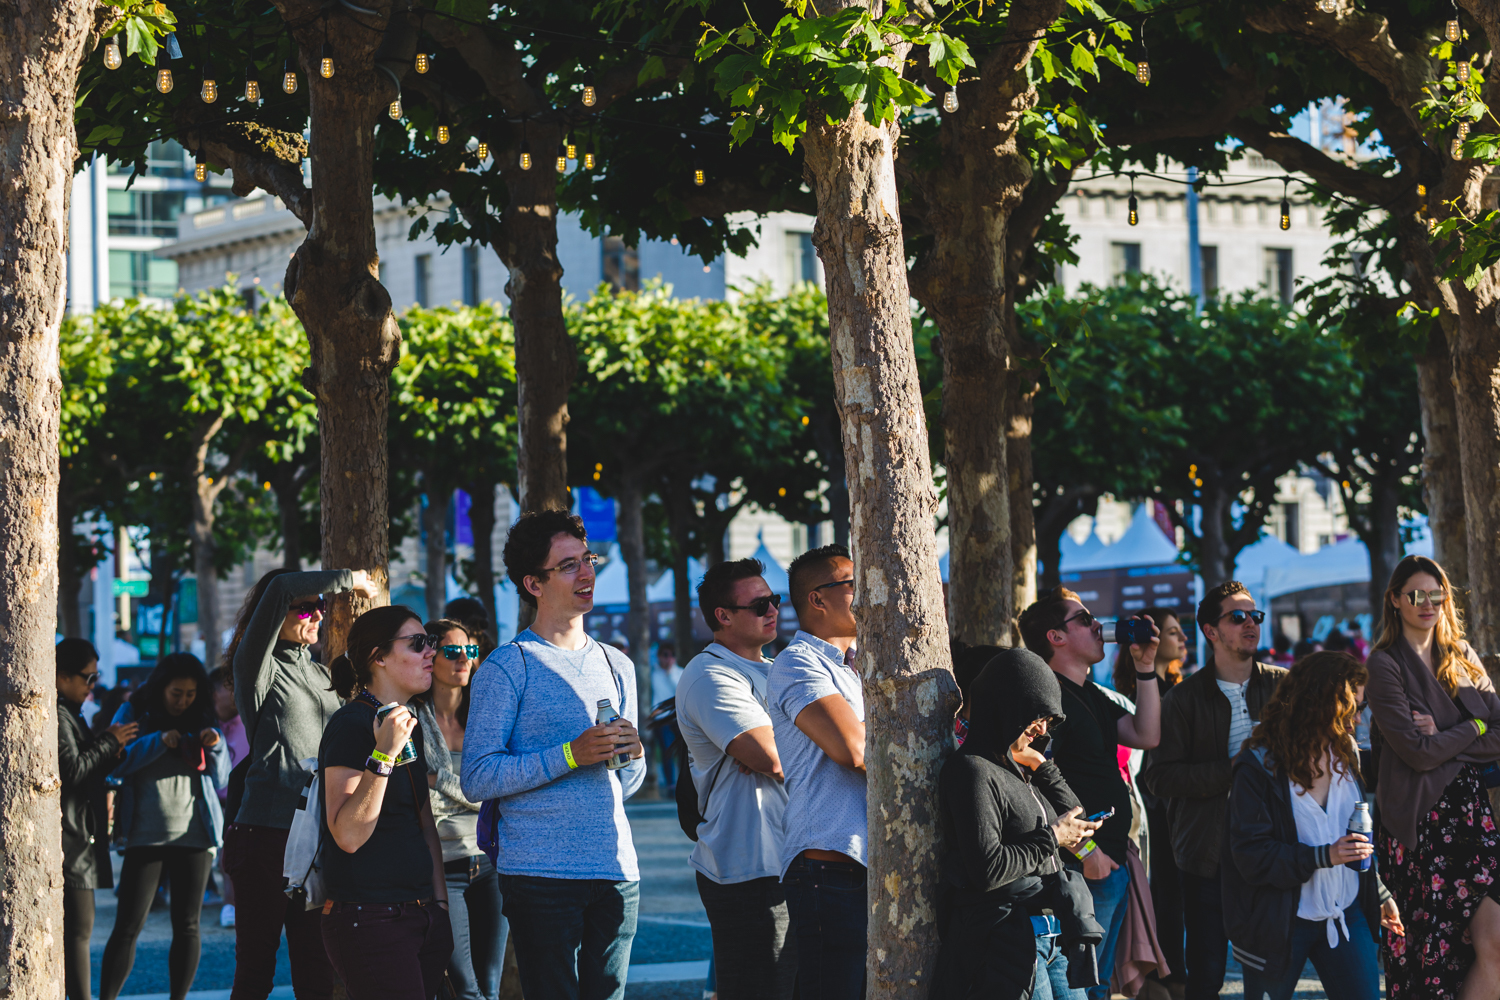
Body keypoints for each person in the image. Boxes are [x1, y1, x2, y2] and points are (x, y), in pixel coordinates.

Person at [463, 510, 646, 1000]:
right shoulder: (508, 666)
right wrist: (570, 753)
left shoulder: (617, 662)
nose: (586, 573)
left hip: (615, 867)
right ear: (533, 583)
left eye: (588, 560)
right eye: (569, 566)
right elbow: (477, 777)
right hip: (539, 874)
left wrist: (633, 754)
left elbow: (626, 783)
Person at [223, 566, 377, 1000]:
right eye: (303, 608)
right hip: (264, 837)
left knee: (318, 970)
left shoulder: (326, 675)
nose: (315, 615)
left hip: (318, 840)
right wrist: (353, 579)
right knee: (256, 972)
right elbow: (281, 586)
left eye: (319, 608)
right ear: (273, 615)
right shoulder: (257, 666)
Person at [1222, 650, 1403, 1000]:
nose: (1358, 719)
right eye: (1352, 708)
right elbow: (1250, 855)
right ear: (1320, 704)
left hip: (1345, 912)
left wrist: (1377, 891)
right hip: (1279, 922)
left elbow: (1353, 835)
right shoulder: (1259, 766)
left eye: (1361, 709)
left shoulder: (1346, 752)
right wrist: (1323, 856)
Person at [1141, 581, 1286, 1000]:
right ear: (1211, 631)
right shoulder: (1183, 699)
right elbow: (1159, 777)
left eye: (1254, 615)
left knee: (1275, 964)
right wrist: (1233, 767)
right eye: (1236, 617)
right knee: (1206, 972)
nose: (1250, 624)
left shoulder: (1283, 687)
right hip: (1208, 853)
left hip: (1274, 845)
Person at [935, 647, 1105, 1000]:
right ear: (1006, 705)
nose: (1042, 729)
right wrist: (1054, 837)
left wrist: (1044, 768)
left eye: (1050, 720)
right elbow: (988, 868)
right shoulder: (972, 770)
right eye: (1035, 716)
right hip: (1009, 936)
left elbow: (1075, 815)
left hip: (1053, 933)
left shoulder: (1020, 769)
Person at [1365, 555, 1500, 998]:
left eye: (1436, 594)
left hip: (1474, 820)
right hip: (1422, 827)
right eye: (1416, 595)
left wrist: (1449, 732)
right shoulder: (1384, 664)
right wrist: (1474, 730)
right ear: (1395, 600)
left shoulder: (1462, 654)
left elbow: (1497, 731)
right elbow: (1416, 754)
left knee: (1494, 943)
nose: (1428, 603)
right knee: (1436, 961)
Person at [1018, 587, 1161, 1000]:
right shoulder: (1048, 695)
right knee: (1085, 985)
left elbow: (1146, 734)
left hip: (1110, 860)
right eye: (1083, 619)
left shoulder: (1088, 693)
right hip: (1082, 866)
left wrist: (1145, 667)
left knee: (1097, 986)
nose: (1098, 624)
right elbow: (1033, 778)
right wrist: (1085, 851)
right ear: (1055, 637)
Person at [676, 558, 795, 1000]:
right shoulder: (710, 674)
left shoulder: (776, 669)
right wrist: (799, 739)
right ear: (722, 616)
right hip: (749, 870)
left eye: (775, 599)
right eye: (759, 603)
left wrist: (777, 736)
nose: (772, 610)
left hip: (790, 857)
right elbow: (771, 756)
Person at [320, 605, 452, 998]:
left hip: (420, 913)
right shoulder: (351, 725)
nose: (431, 651)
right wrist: (383, 755)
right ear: (378, 657)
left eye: (430, 642)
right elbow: (347, 834)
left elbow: (423, 822)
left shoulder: (408, 722)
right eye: (417, 644)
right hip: (370, 917)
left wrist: (440, 906)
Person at [99, 653, 231, 1000]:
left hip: (195, 834)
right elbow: (117, 764)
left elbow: (221, 778)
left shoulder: (204, 715)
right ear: (160, 688)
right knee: (128, 925)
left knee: (188, 925)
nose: (182, 700)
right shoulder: (134, 712)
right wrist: (158, 741)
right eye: (176, 693)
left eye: (189, 693)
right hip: (145, 835)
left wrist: (215, 747)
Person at [769, 543, 866, 1000]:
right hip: (829, 867)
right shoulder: (797, 663)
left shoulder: (862, 666)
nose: (866, 590)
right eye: (853, 582)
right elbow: (854, 749)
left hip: (871, 863)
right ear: (818, 598)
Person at [415, 618, 508, 1000]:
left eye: (471, 651)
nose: (464, 660)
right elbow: (418, 794)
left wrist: (442, 782)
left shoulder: (486, 716)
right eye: (453, 652)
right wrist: (471, 791)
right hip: (440, 864)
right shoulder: (411, 718)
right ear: (431, 657)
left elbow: (497, 788)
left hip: (489, 861)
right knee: (464, 988)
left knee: (490, 985)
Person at [1109, 608, 1188, 999]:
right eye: (1173, 632)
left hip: (1165, 812)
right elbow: (1146, 749)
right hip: (1149, 812)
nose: (1181, 639)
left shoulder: (1181, 689)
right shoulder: (1124, 699)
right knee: (1160, 899)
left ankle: (1169, 973)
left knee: (1171, 902)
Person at [58, 639, 138, 1000]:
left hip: (78, 835)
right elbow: (71, 770)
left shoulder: (69, 712)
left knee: (80, 929)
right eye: (88, 678)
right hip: (70, 838)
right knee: (78, 930)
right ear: (62, 676)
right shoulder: (57, 713)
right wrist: (107, 742)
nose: (92, 687)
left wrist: (110, 751)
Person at [208, 666, 248, 928]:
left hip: (244, 802)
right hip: (213, 803)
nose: (236, 693)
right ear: (213, 694)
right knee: (225, 857)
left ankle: (235, 903)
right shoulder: (205, 725)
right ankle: (229, 903)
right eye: (229, 687)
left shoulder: (249, 721)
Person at [652, 643, 683, 793]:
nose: (668, 658)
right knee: (666, 751)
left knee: (683, 752)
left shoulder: (680, 673)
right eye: (665, 655)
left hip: (679, 718)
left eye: (671, 655)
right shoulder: (653, 674)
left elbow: (680, 692)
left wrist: (670, 673)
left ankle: (684, 782)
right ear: (659, 656)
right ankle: (671, 784)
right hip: (661, 719)